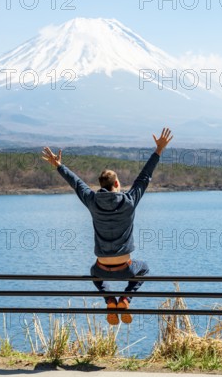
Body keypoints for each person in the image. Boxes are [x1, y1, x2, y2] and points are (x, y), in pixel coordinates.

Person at [42, 127, 173, 325]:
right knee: (144, 268)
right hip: (127, 269)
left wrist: (59, 165)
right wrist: (158, 150)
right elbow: (144, 176)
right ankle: (125, 300)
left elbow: (76, 183)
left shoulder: (92, 201)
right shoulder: (129, 201)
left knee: (94, 274)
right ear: (117, 183)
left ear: (101, 185)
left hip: (102, 268)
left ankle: (110, 300)